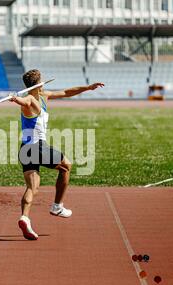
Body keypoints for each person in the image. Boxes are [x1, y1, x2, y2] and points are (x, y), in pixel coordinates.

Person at [9, 69, 104, 240]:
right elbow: (25, 101)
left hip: (25, 149)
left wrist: (88, 87)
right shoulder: (31, 98)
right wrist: (15, 99)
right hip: (37, 147)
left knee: (32, 187)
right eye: (42, 80)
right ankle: (57, 206)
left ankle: (24, 218)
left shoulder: (44, 96)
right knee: (66, 166)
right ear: (39, 83)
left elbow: (67, 92)